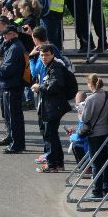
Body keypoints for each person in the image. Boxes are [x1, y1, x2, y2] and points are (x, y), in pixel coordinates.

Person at [32, 44, 72, 173]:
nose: (44, 57)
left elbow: (54, 85)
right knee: (53, 135)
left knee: (49, 135)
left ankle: (51, 165)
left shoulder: (56, 67)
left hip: (54, 107)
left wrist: (40, 87)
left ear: (53, 55)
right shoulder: (49, 66)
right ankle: (59, 163)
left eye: (46, 55)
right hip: (52, 106)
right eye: (42, 55)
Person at [0, 25, 27, 154]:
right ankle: (13, 139)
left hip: (13, 85)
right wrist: (4, 43)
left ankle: (17, 144)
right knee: (10, 115)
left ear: (14, 34)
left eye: (7, 34)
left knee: (14, 116)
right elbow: (1, 57)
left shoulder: (15, 47)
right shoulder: (11, 45)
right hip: (10, 84)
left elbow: (7, 67)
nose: (4, 37)